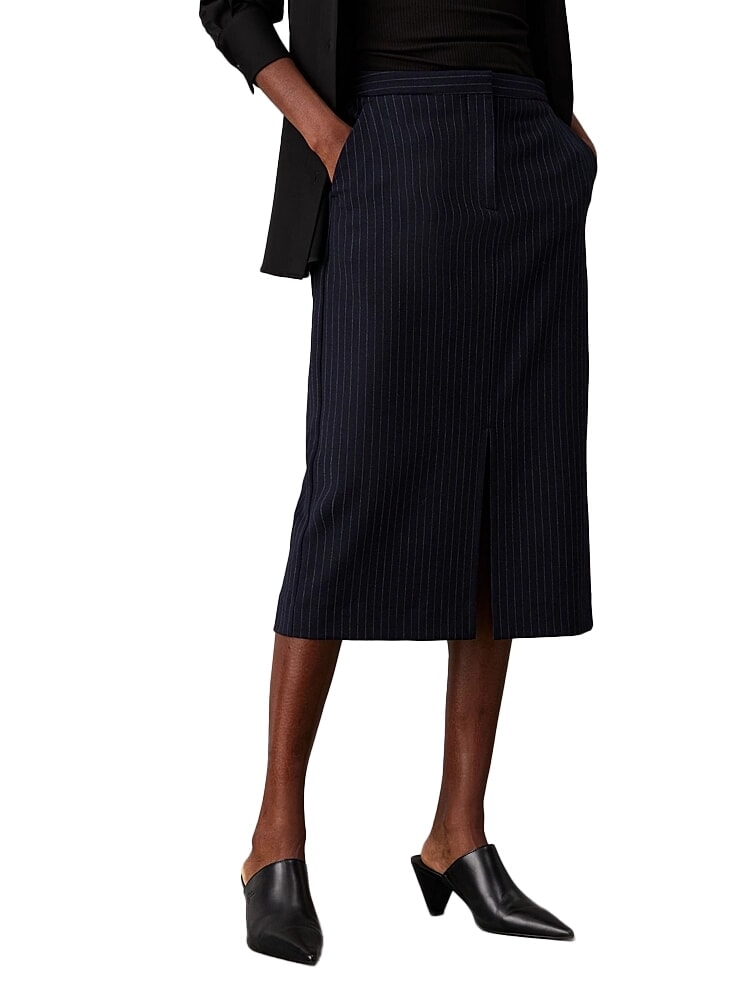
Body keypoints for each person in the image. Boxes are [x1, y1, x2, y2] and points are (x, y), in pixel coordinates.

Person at [199, 0, 597, 965]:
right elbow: (229, 7)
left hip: (527, 143)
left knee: (512, 478)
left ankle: (458, 832)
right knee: (351, 480)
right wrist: (326, 134)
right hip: (389, 135)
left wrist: (565, 137)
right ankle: (274, 838)